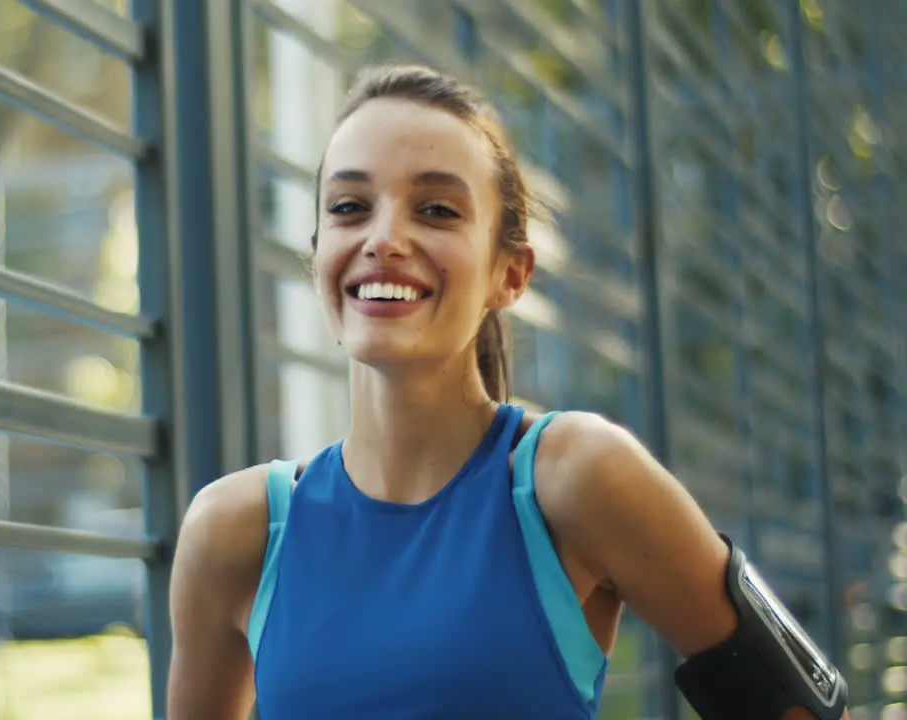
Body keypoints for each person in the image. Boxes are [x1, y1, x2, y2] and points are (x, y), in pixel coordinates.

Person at [166, 64, 849, 720]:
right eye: (349, 207)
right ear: (317, 255)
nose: (384, 239)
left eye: (436, 210)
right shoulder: (236, 532)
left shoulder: (578, 476)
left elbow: (804, 708)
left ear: (510, 273)